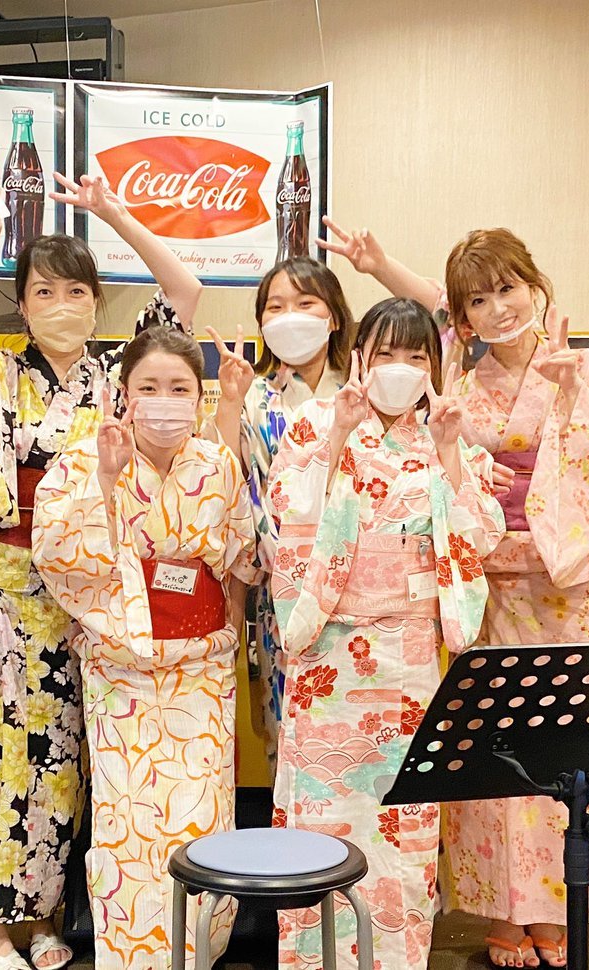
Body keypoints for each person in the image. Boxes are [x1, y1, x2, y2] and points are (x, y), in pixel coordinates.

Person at [323, 223, 589, 968]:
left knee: (567, 742)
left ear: (535, 286)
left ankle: (554, 911)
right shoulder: (461, 385)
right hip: (488, 585)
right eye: (479, 298)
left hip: (568, 584)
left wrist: (573, 405)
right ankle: (502, 913)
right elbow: (445, 468)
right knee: (498, 745)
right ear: (463, 317)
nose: (498, 308)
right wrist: (378, 268)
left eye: (508, 287)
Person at [0, 174, 202, 970]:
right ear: (20, 305)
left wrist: (114, 213)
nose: (62, 303)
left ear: (96, 301)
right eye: (43, 290)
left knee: (62, 757)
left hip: (87, 593)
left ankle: (45, 917)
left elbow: (182, 289)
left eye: (77, 290)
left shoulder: (116, 377)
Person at [267, 297, 503, 970]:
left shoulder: (443, 432)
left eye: (416, 355)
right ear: (360, 357)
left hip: (408, 660)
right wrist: (338, 438)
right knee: (322, 825)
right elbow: (284, 512)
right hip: (330, 658)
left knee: (405, 829)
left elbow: (482, 532)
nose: (400, 369)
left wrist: (453, 450)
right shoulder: (317, 420)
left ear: (435, 365)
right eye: (387, 353)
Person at [32, 327, 259, 970]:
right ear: (122, 393)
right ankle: (134, 959)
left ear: (199, 395)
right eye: (149, 388)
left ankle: (200, 953)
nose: (164, 400)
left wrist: (231, 632)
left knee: (201, 817)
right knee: (126, 824)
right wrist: (104, 483)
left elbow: (242, 557)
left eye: (179, 388)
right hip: (123, 666)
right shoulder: (84, 457)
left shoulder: (217, 462)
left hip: (204, 665)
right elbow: (58, 553)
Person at [207, 256, 355, 773]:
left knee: (357, 731)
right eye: (276, 306)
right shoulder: (257, 399)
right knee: (289, 733)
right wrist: (228, 404)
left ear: (333, 315)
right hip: (284, 589)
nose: (291, 315)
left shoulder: (361, 391)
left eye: (305, 303)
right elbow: (226, 478)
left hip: (359, 589)